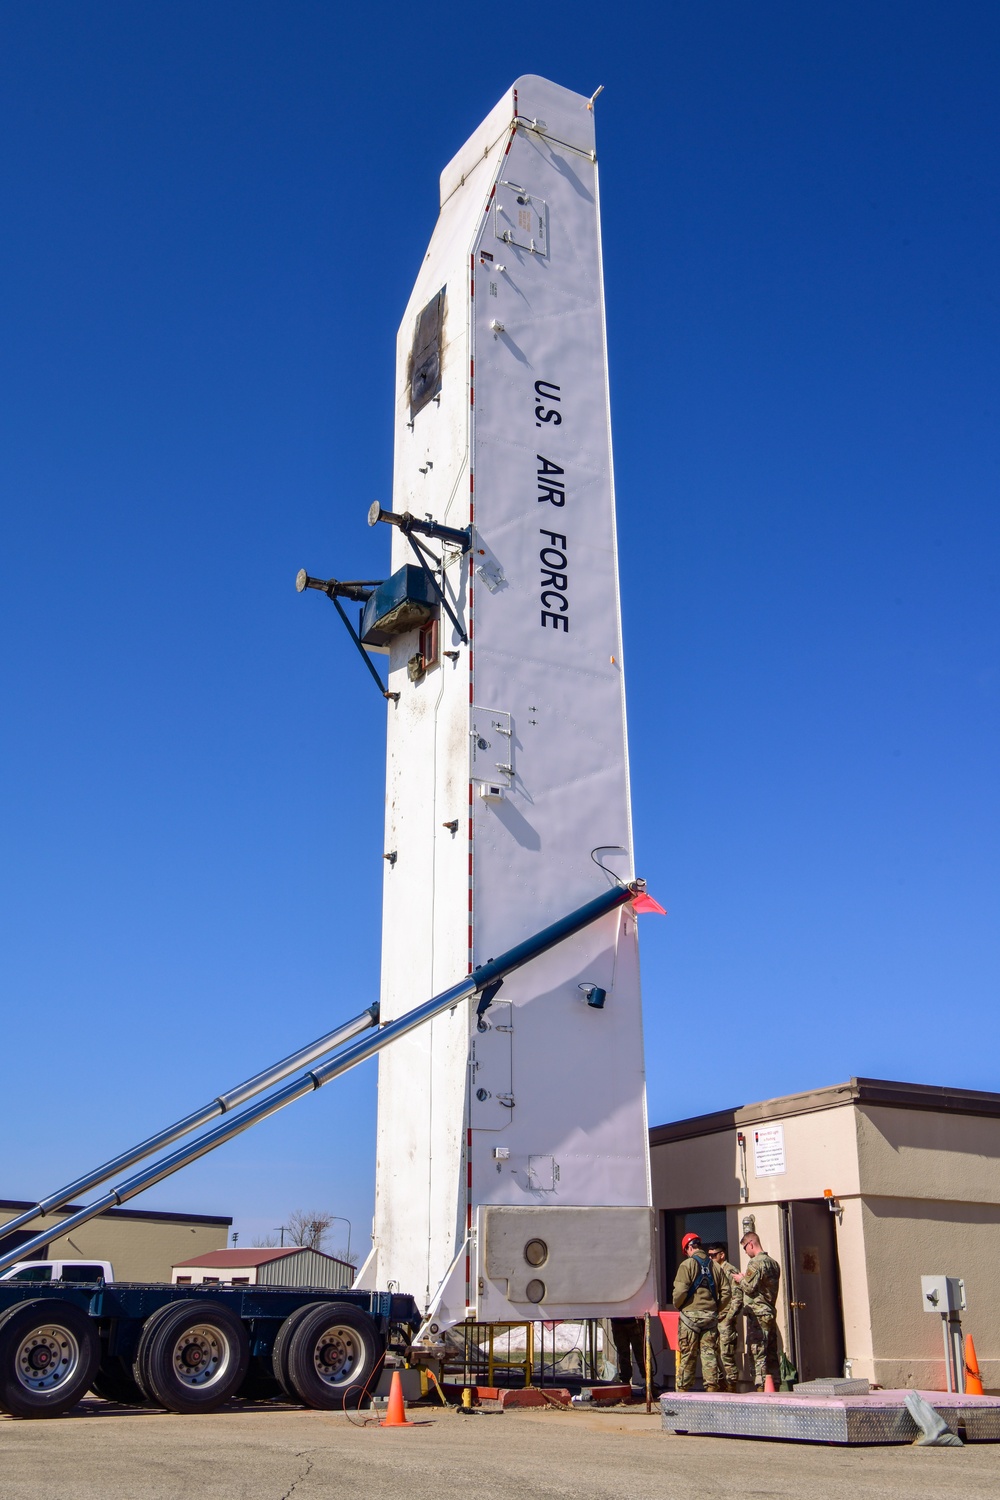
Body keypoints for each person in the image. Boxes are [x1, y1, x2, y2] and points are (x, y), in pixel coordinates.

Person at [671, 1231, 728, 1392]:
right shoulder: (715, 1266)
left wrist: (679, 1305)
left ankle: (683, 1391)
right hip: (710, 1317)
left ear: (689, 1248)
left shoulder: (686, 1265)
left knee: (688, 1355)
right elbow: (727, 1292)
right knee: (709, 1353)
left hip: (690, 1318)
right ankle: (711, 1388)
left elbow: (680, 1292)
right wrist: (716, 1308)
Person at [738, 1230, 781, 1391]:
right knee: (771, 1352)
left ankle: (761, 1386)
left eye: (745, 1248)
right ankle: (775, 1383)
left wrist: (740, 1279)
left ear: (751, 1244)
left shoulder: (756, 1263)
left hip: (758, 1314)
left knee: (758, 1352)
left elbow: (749, 1287)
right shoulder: (773, 1263)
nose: (746, 1252)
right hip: (769, 1311)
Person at [706, 1242, 743, 1392]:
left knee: (726, 1354)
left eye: (713, 1255)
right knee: (712, 1353)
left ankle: (731, 1387)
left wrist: (728, 1318)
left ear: (722, 1255)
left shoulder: (730, 1271)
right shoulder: (711, 1271)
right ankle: (720, 1385)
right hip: (714, 1319)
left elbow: (737, 1297)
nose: (711, 1258)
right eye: (709, 1255)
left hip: (725, 1320)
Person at [610, 1317, 645, 1389]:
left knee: (641, 1354)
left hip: (634, 1321)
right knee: (623, 1355)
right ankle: (625, 1385)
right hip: (618, 1322)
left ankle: (650, 1384)